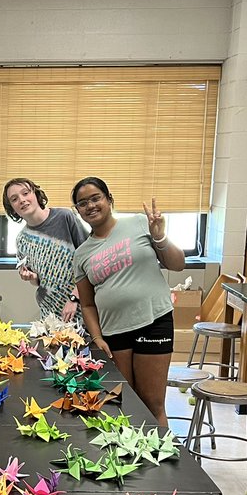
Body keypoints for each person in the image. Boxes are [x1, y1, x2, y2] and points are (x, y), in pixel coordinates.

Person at [71, 176, 186, 426]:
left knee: (152, 404)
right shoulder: (81, 254)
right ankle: (131, 462)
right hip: (114, 333)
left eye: (95, 198)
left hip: (153, 321)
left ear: (109, 200)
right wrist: (97, 337)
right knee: (123, 403)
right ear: (77, 211)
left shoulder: (138, 223)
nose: (90, 205)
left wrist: (159, 237)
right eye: (82, 203)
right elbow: (88, 304)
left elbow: (177, 264)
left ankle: (159, 464)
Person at [3, 177, 88, 323]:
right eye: (14, 199)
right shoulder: (22, 240)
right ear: (12, 209)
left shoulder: (64, 217)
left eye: (25, 193)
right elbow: (38, 282)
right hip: (49, 313)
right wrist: (32, 277)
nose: (22, 200)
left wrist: (74, 298)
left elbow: (90, 260)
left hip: (80, 305)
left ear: (36, 194)